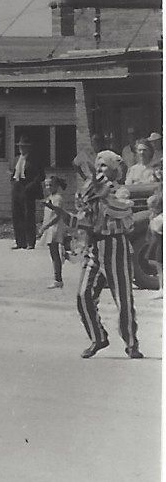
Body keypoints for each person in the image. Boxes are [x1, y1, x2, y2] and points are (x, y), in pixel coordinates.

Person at [74, 151, 142, 359]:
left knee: (122, 297)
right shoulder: (91, 189)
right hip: (95, 245)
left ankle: (131, 343)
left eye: (104, 166)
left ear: (114, 169)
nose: (100, 170)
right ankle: (98, 337)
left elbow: (119, 209)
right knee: (83, 294)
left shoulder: (120, 191)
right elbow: (81, 212)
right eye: (98, 166)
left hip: (115, 245)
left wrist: (101, 194)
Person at [38, 174, 73, 290]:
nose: (48, 187)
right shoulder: (50, 198)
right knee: (53, 254)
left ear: (57, 186)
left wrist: (46, 226)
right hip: (50, 228)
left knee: (55, 254)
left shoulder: (57, 198)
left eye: (51, 185)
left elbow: (58, 215)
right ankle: (57, 277)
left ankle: (58, 279)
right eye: (46, 185)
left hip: (54, 228)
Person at [9, 136, 44, 250]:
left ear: (29, 148)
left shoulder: (34, 160)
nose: (22, 149)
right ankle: (20, 241)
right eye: (20, 147)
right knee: (17, 215)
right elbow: (13, 172)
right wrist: (13, 182)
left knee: (28, 215)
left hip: (28, 188)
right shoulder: (16, 159)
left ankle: (30, 242)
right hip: (17, 187)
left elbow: (41, 176)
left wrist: (30, 186)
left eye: (24, 147)